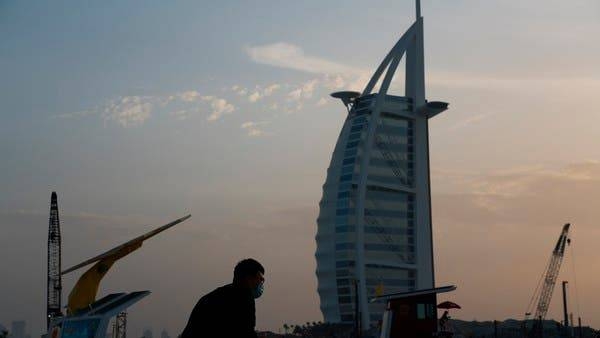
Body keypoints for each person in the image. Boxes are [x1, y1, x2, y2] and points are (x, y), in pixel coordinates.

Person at [180, 258, 265, 338]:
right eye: (260, 279)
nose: (262, 283)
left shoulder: (213, 296)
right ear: (249, 279)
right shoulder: (244, 297)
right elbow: (246, 332)